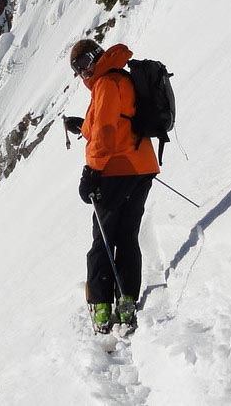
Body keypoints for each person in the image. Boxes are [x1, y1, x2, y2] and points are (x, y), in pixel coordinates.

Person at [65, 39, 160, 334]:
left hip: (115, 171)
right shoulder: (120, 77)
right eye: (77, 69)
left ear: (96, 57)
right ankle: (127, 299)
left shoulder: (105, 83)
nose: (83, 72)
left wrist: (91, 172)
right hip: (141, 167)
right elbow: (118, 122)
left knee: (103, 240)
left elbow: (106, 133)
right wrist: (83, 125)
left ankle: (102, 305)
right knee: (127, 236)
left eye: (83, 64)